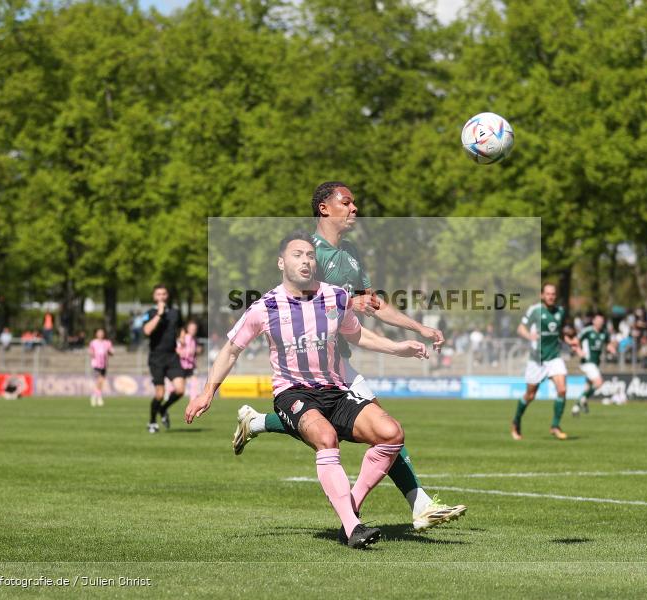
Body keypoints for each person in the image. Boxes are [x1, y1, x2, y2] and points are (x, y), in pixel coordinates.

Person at [231, 181, 466, 532]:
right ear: (324, 208)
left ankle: (257, 424)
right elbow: (299, 300)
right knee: (375, 429)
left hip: (339, 361)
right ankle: (411, 505)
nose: (354, 208)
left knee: (382, 429)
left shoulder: (350, 252)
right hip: (312, 364)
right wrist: (346, 303)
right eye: (346, 202)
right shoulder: (309, 253)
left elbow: (373, 303)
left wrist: (418, 327)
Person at [185, 231, 430, 548]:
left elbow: (357, 336)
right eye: (297, 255)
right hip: (293, 393)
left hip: (335, 390)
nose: (306, 260)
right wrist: (208, 392)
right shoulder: (265, 307)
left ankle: (350, 509)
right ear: (281, 262)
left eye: (310, 256)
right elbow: (231, 350)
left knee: (391, 434)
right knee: (326, 438)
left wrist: (398, 348)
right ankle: (353, 527)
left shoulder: (336, 298)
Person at [511, 283, 582, 441]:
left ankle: (555, 426)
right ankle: (516, 421)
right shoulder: (535, 310)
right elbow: (520, 328)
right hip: (537, 360)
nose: (551, 296)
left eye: (553, 294)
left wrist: (570, 342)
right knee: (530, 395)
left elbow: (559, 332)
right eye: (548, 294)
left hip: (554, 357)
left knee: (562, 390)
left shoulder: (560, 312)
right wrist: (529, 336)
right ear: (542, 295)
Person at [142, 284, 185, 433]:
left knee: (180, 390)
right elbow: (147, 331)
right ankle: (152, 422)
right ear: (154, 297)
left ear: (167, 296)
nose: (161, 296)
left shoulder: (175, 312)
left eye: (164, 294)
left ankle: (163, 409)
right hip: (156, 358)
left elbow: (181, 328)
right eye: (158, 294)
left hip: (172, 356)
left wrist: (181, 339)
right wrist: (159, 315)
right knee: (160, 394)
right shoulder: (150, 313)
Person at [573, 313, 616, 415]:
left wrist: (612, 348)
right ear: (594, 321)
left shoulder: (604, 333)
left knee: (588, 386)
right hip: (587, 362)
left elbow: (608, 344)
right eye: (598, 321)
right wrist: (579, 351)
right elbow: (575, 341)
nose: (600, 323)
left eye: (602, 321)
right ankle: (580, 401)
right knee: (599, 382)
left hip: (596, 363)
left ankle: (580, 405)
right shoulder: (587, 331)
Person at [88, 328, 114, 407]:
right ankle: (99, 398)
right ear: (96, 334)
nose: (101, 334)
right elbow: (90, 351)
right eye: (99, 333)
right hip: (96, 364)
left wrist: (109, 352)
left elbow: (111, 352)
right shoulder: (93, 342)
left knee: (101, 381)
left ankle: (94, 395)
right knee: (99, 380)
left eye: (102, 333)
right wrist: (92, 354)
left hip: (104, 364)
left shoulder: (107, 343)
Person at [177, 320, 201, 401]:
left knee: (195, 382)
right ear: (188, 329)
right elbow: (178, 351)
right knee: (179, 388)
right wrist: (188, 352)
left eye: (195, 329)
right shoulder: (184, 338)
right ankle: (169, 395)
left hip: (191, 365)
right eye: (191, 329)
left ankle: (193, 400)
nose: (193, 331)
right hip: (182, 365)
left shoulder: (194, 339)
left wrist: (197, 351)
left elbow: (195, 352)